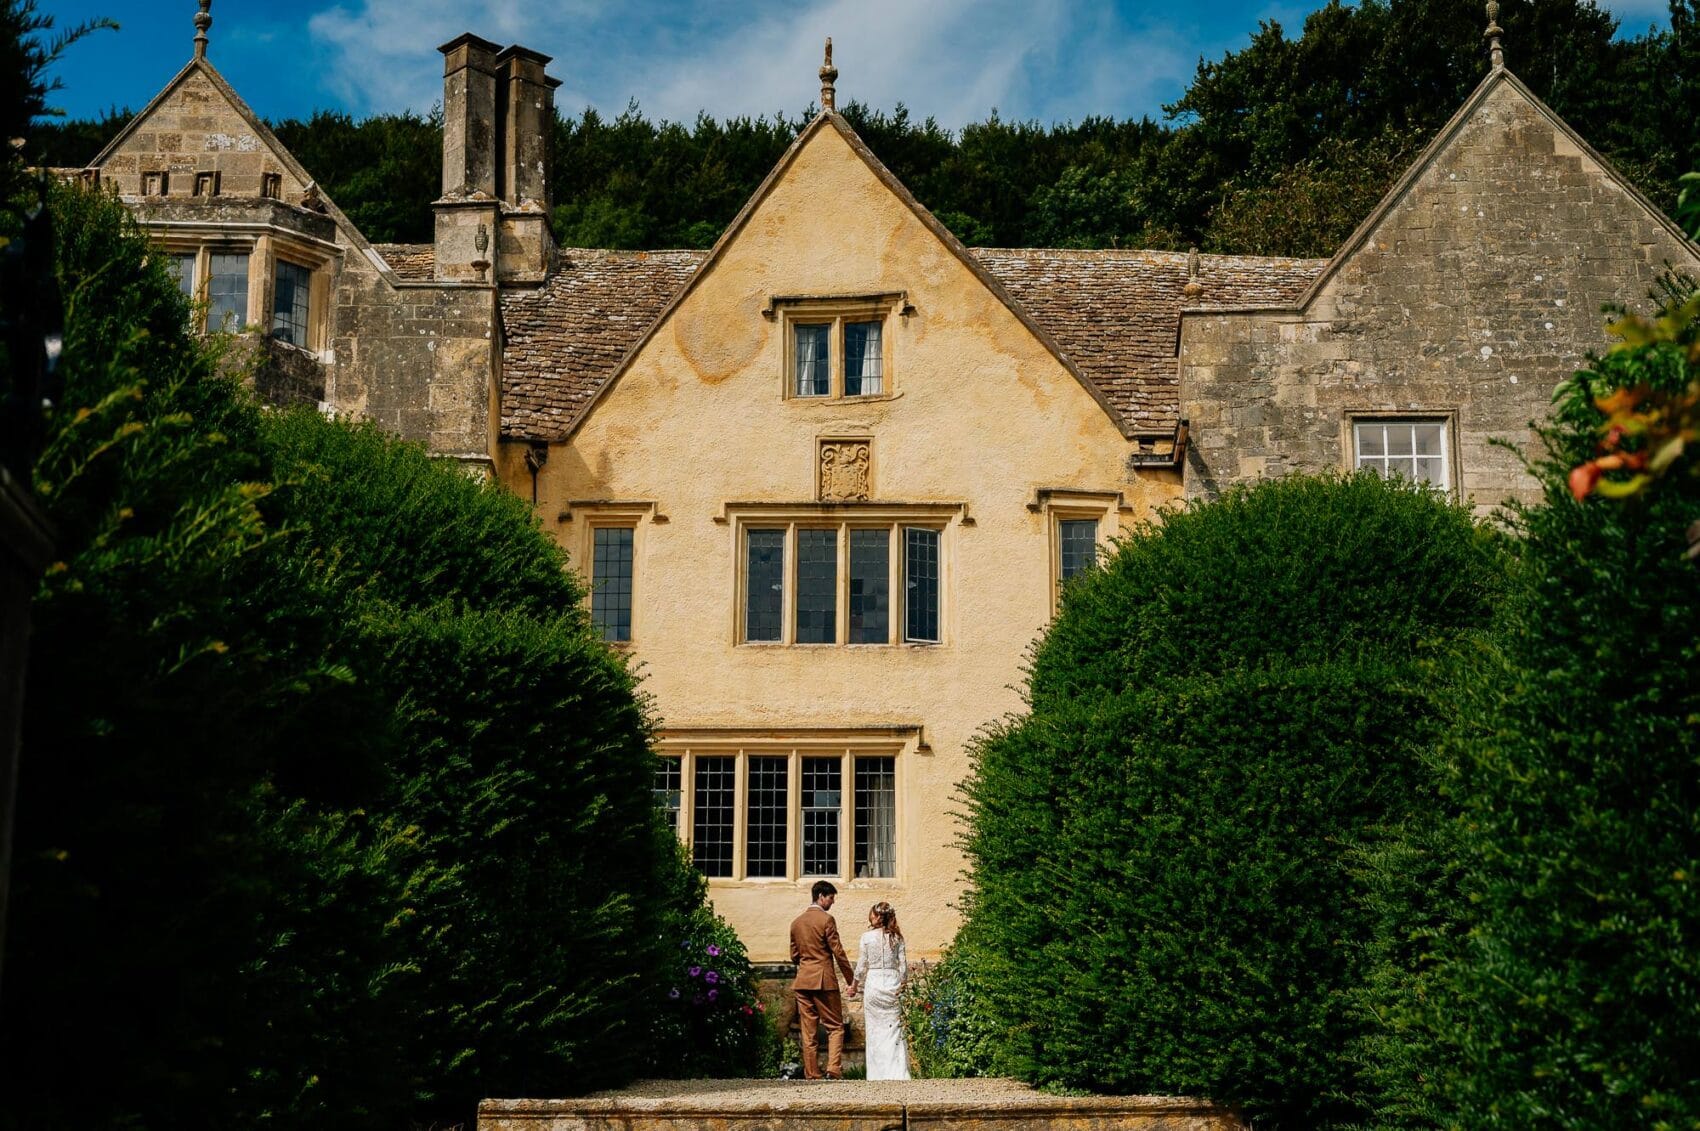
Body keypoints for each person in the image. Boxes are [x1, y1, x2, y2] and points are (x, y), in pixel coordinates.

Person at [789, 879, 857, 1080]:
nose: (832, 902)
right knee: (835, 1026)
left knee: (808, 1030)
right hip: (823, 981)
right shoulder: (826, 920)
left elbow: (794, 956)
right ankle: (833, 1069)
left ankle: (812, 1073)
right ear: (821, 896)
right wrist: (851, 979)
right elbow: (838, 952)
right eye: (831, 898)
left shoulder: (796, 922)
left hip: (802, 981)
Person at [852, 901, 911, 1080]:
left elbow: (862, 966)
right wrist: (903, 983)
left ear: (877, 917)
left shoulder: (867, 938)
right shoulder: (897, 938)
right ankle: (897, 1073)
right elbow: (903, 966)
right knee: (894, 1029)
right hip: (892, 982)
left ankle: (877, 1075)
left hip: (875, 984)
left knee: (875, 1030)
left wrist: (854, 985)